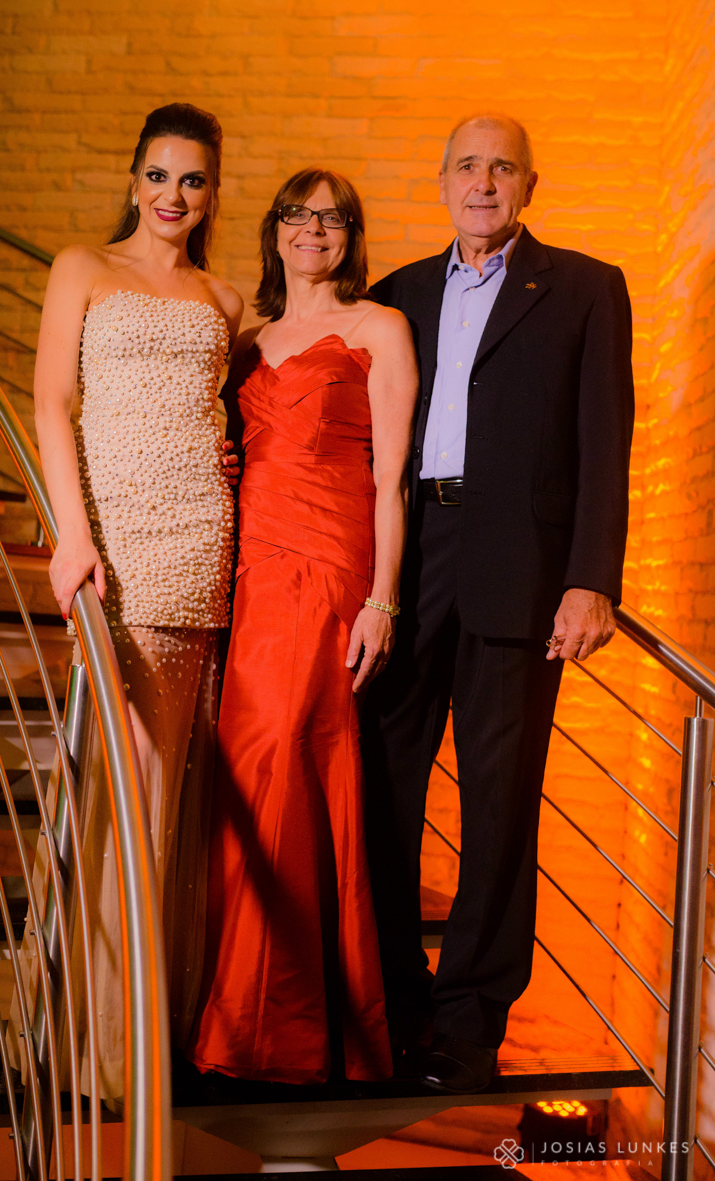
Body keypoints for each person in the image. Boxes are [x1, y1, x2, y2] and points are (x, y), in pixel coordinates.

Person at [362, 114, 634, 1093]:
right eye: (467, 166)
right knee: (378, 786)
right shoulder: (395, 293)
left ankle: (467, 1025)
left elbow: (604, 439)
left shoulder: (585, 288)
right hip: (410, 555)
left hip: (520, 567)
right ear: (441, 182)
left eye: (502, 167)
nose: (483, 182)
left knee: (500, 798)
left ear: (528, 185)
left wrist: (590, 576)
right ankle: (388, 1001)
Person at [9, 102, 243, 1105]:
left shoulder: (225, 296)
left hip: (199, 538)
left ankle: (139, 1033)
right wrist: (72, 533)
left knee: (160, 790)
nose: (172, 196)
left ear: (212, 192)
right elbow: (49, 402)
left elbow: (227, 415)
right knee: (111, 777)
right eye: (158, 175)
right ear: (133, 177)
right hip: (113, 543)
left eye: (192, 180)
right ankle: (85, 1029)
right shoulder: (82, 267)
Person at [188, 168, 418, 1084]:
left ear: (350, 235)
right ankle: (236, 1008)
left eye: (332, 218)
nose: (313, 230)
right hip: (250, 572)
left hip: (329, 569)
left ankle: (280, 1028)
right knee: (248, 770)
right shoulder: (246, 341)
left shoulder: (379, 329)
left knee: (291, 754)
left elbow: (392, 478)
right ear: (275, 229)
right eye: (298, 214)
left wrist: (383, 599)